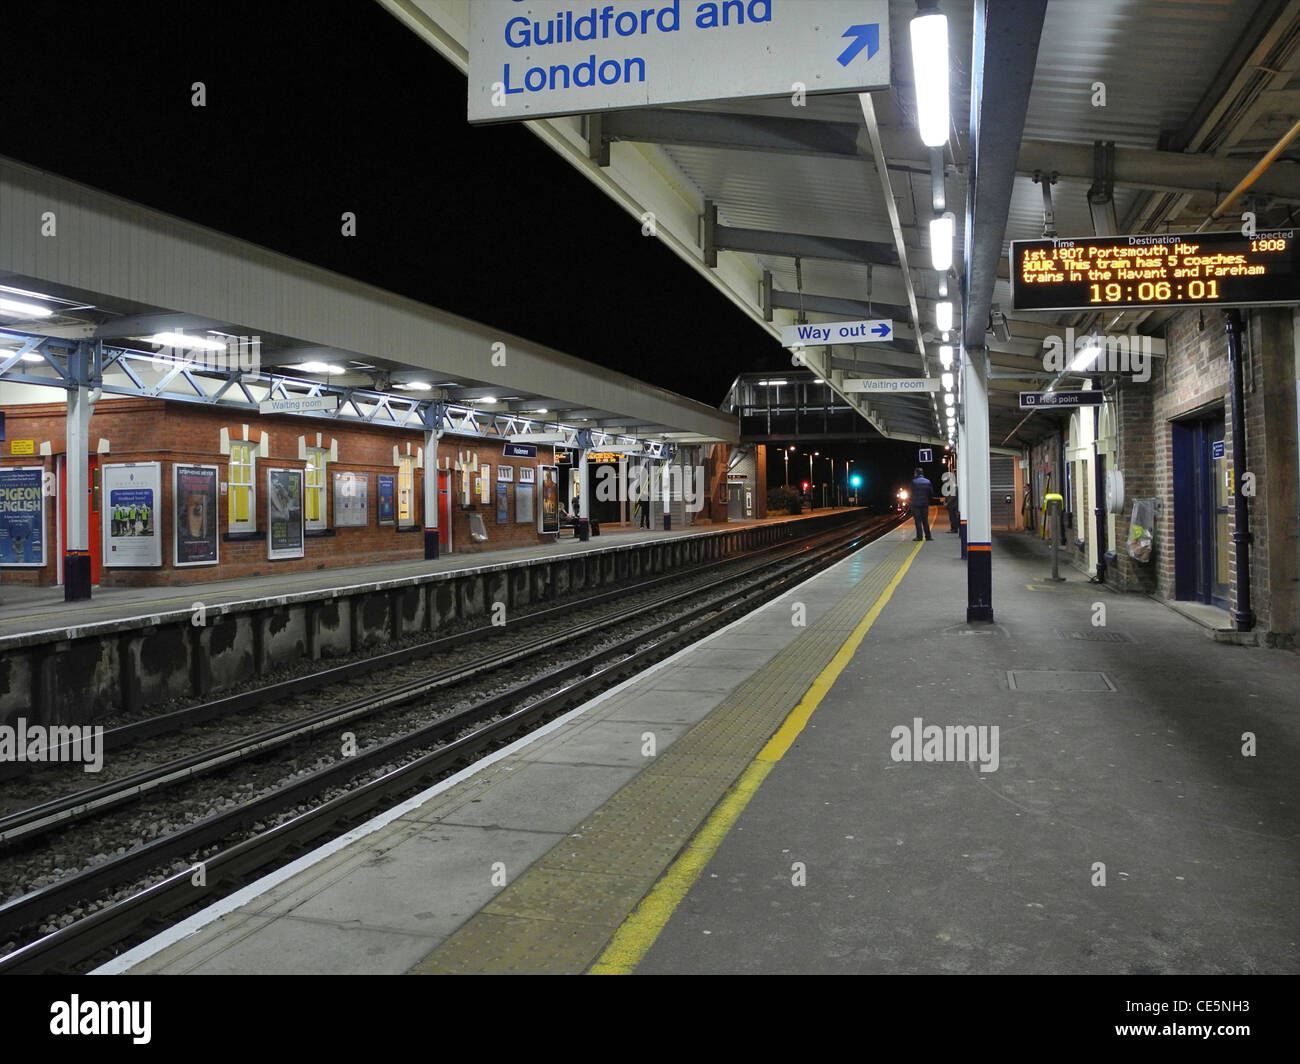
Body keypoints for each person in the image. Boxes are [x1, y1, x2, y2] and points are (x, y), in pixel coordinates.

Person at [910, 467, 934, 541]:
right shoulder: (928, 481)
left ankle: (919, 537)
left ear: (916, 473)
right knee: (925, 520)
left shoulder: (913, 482)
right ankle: (928, 536)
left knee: (918, 521)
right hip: (925, 504)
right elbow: (931, 493)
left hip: (915, 504)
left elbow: (911, 492)